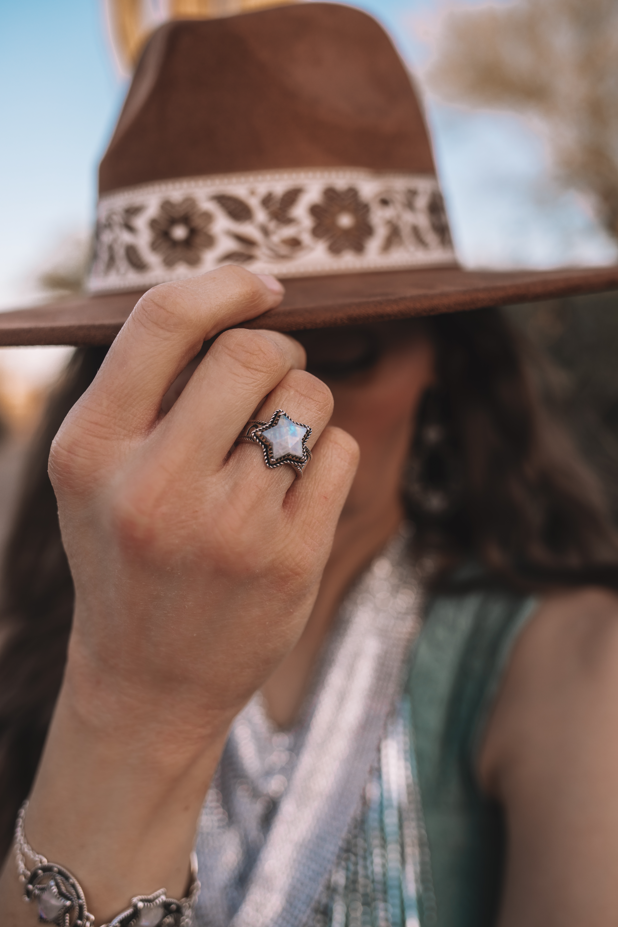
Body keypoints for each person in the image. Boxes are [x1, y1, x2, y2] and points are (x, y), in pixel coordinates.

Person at [1, 5, 618, 926]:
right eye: (204, 361)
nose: (282, 417)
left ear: (447, 363)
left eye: (353, 353)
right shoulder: (31, 647)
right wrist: (130, 699)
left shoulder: (569, 659)